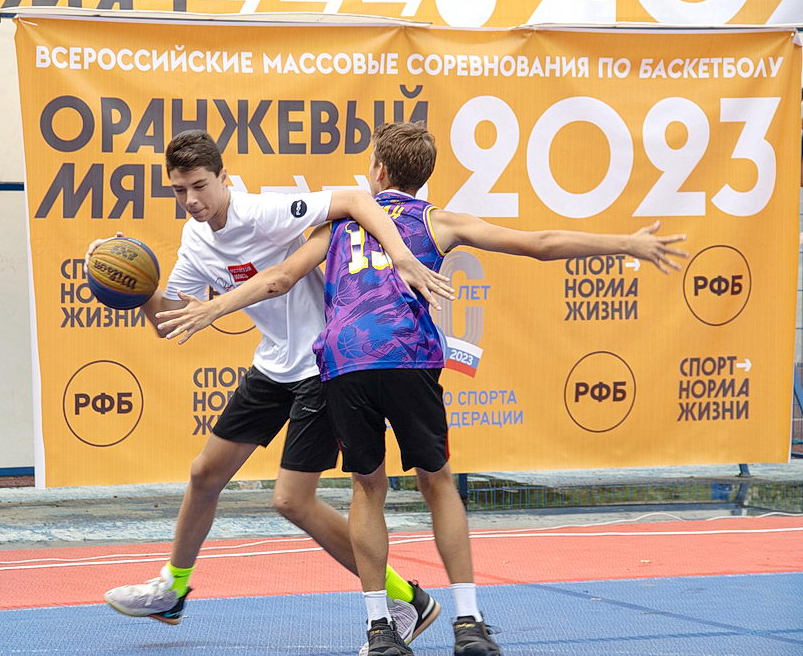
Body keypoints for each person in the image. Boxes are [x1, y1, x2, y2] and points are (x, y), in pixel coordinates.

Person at [156, 122, 689, 655]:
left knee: (368, 489)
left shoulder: (338, 226)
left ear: (377, 170)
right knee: (438, 483)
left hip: (345, 360)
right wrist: (628, 243)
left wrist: (212, 308)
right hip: (407, 357)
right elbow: (541, 244)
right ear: (424, 177)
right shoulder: (439, 221)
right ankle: (468, 621)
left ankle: (380, 628)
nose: (191, 197)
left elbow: (280, 278)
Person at [88, 130, 451, 648]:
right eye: (179, 190)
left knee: (292, 500)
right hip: (275, 364)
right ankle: (173, 588)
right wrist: (138, 289)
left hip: (323, 364)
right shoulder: (195, 241)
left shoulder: (265, 212)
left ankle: (406, 597)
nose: (191, 199)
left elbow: (355, 200)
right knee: (205, 473)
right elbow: (170, 322)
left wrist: (402, 257)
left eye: (200, 186)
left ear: (223, 178)